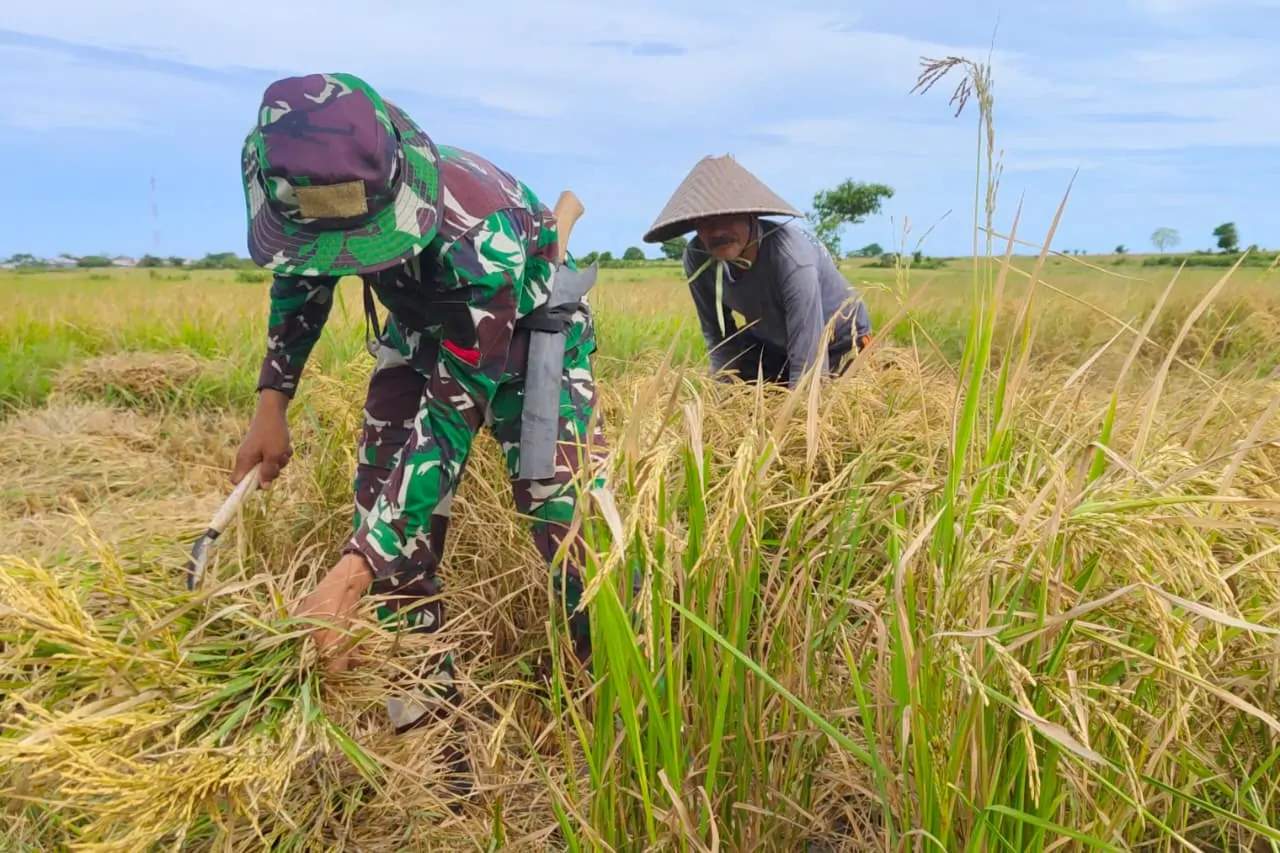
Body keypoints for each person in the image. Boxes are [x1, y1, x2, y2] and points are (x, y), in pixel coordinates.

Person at [229, 72, 608, 740]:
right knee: (388, 527)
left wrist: (349, 575)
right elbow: (301, 272)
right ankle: (427, 734)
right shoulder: (307, 191)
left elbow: (446, 422)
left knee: (565, 517)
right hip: (419, 326)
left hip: (524, 326)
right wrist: (272, 401)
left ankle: (605, 699)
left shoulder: (475, 236)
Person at [642, 155, 874, 389]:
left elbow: (809, 362)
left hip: (839, 342)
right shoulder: (697, 257)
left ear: (751, 216)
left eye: (728, 217)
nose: (717, 231)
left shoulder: (791, 260)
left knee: (823, 401)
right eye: (704, 221)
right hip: (774, 343)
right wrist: (721, 401)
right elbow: (720, 337)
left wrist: (798, 418)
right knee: (738, 391)